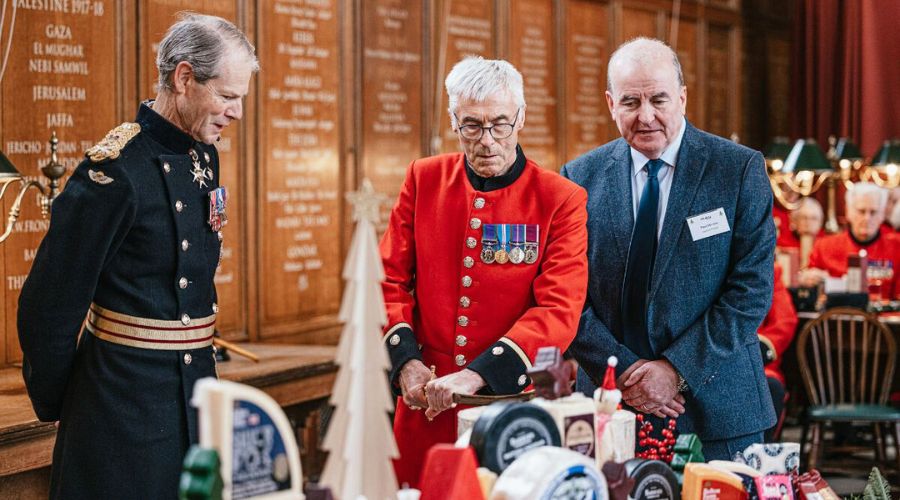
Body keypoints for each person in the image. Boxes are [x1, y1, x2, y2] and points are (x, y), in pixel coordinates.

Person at [17, 14, 258, 499]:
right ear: (184, 78)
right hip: (120, 410)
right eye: (228, 97)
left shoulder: (202, 155)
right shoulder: (113, 172)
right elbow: (49, 305)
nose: (236, 113)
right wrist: (77, 402)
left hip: (194, 399)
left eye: (240, 99)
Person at [561, 37, 776, 460]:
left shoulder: (737, 169)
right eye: (630, 102)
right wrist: (622, 371)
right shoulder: (578, 177)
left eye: (659, 99)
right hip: (610, 404)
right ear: (610, 104)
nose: (646, 116)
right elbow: (568, 294)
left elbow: (750, 291)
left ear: (682, 97)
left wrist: (675, 371)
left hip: (719, 408)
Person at [380, 56, 588, 487]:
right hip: (426, 404)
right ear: (454, 121)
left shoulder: (560, 198)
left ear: (521, 117)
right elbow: (390, 279)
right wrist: (405, 363)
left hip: (510, 406)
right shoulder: (424, 178)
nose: (487, 140)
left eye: (500, 124)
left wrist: (478, 373)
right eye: (472, 126)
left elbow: (559, 308)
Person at [801, 182, 900, 298]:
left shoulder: (896, 248)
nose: (867, 218)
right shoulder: (824, 247)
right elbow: (807, 288)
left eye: (873, 212)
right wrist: (809, 279)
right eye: (861, 211)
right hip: (835, 313)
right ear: (848, 211)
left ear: (882, 214)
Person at [757, 263, 798, 441]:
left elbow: (785, 320)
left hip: (757, 364)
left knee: (771, 387)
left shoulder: (768, 271)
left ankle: (764, 452)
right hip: (704, 361)